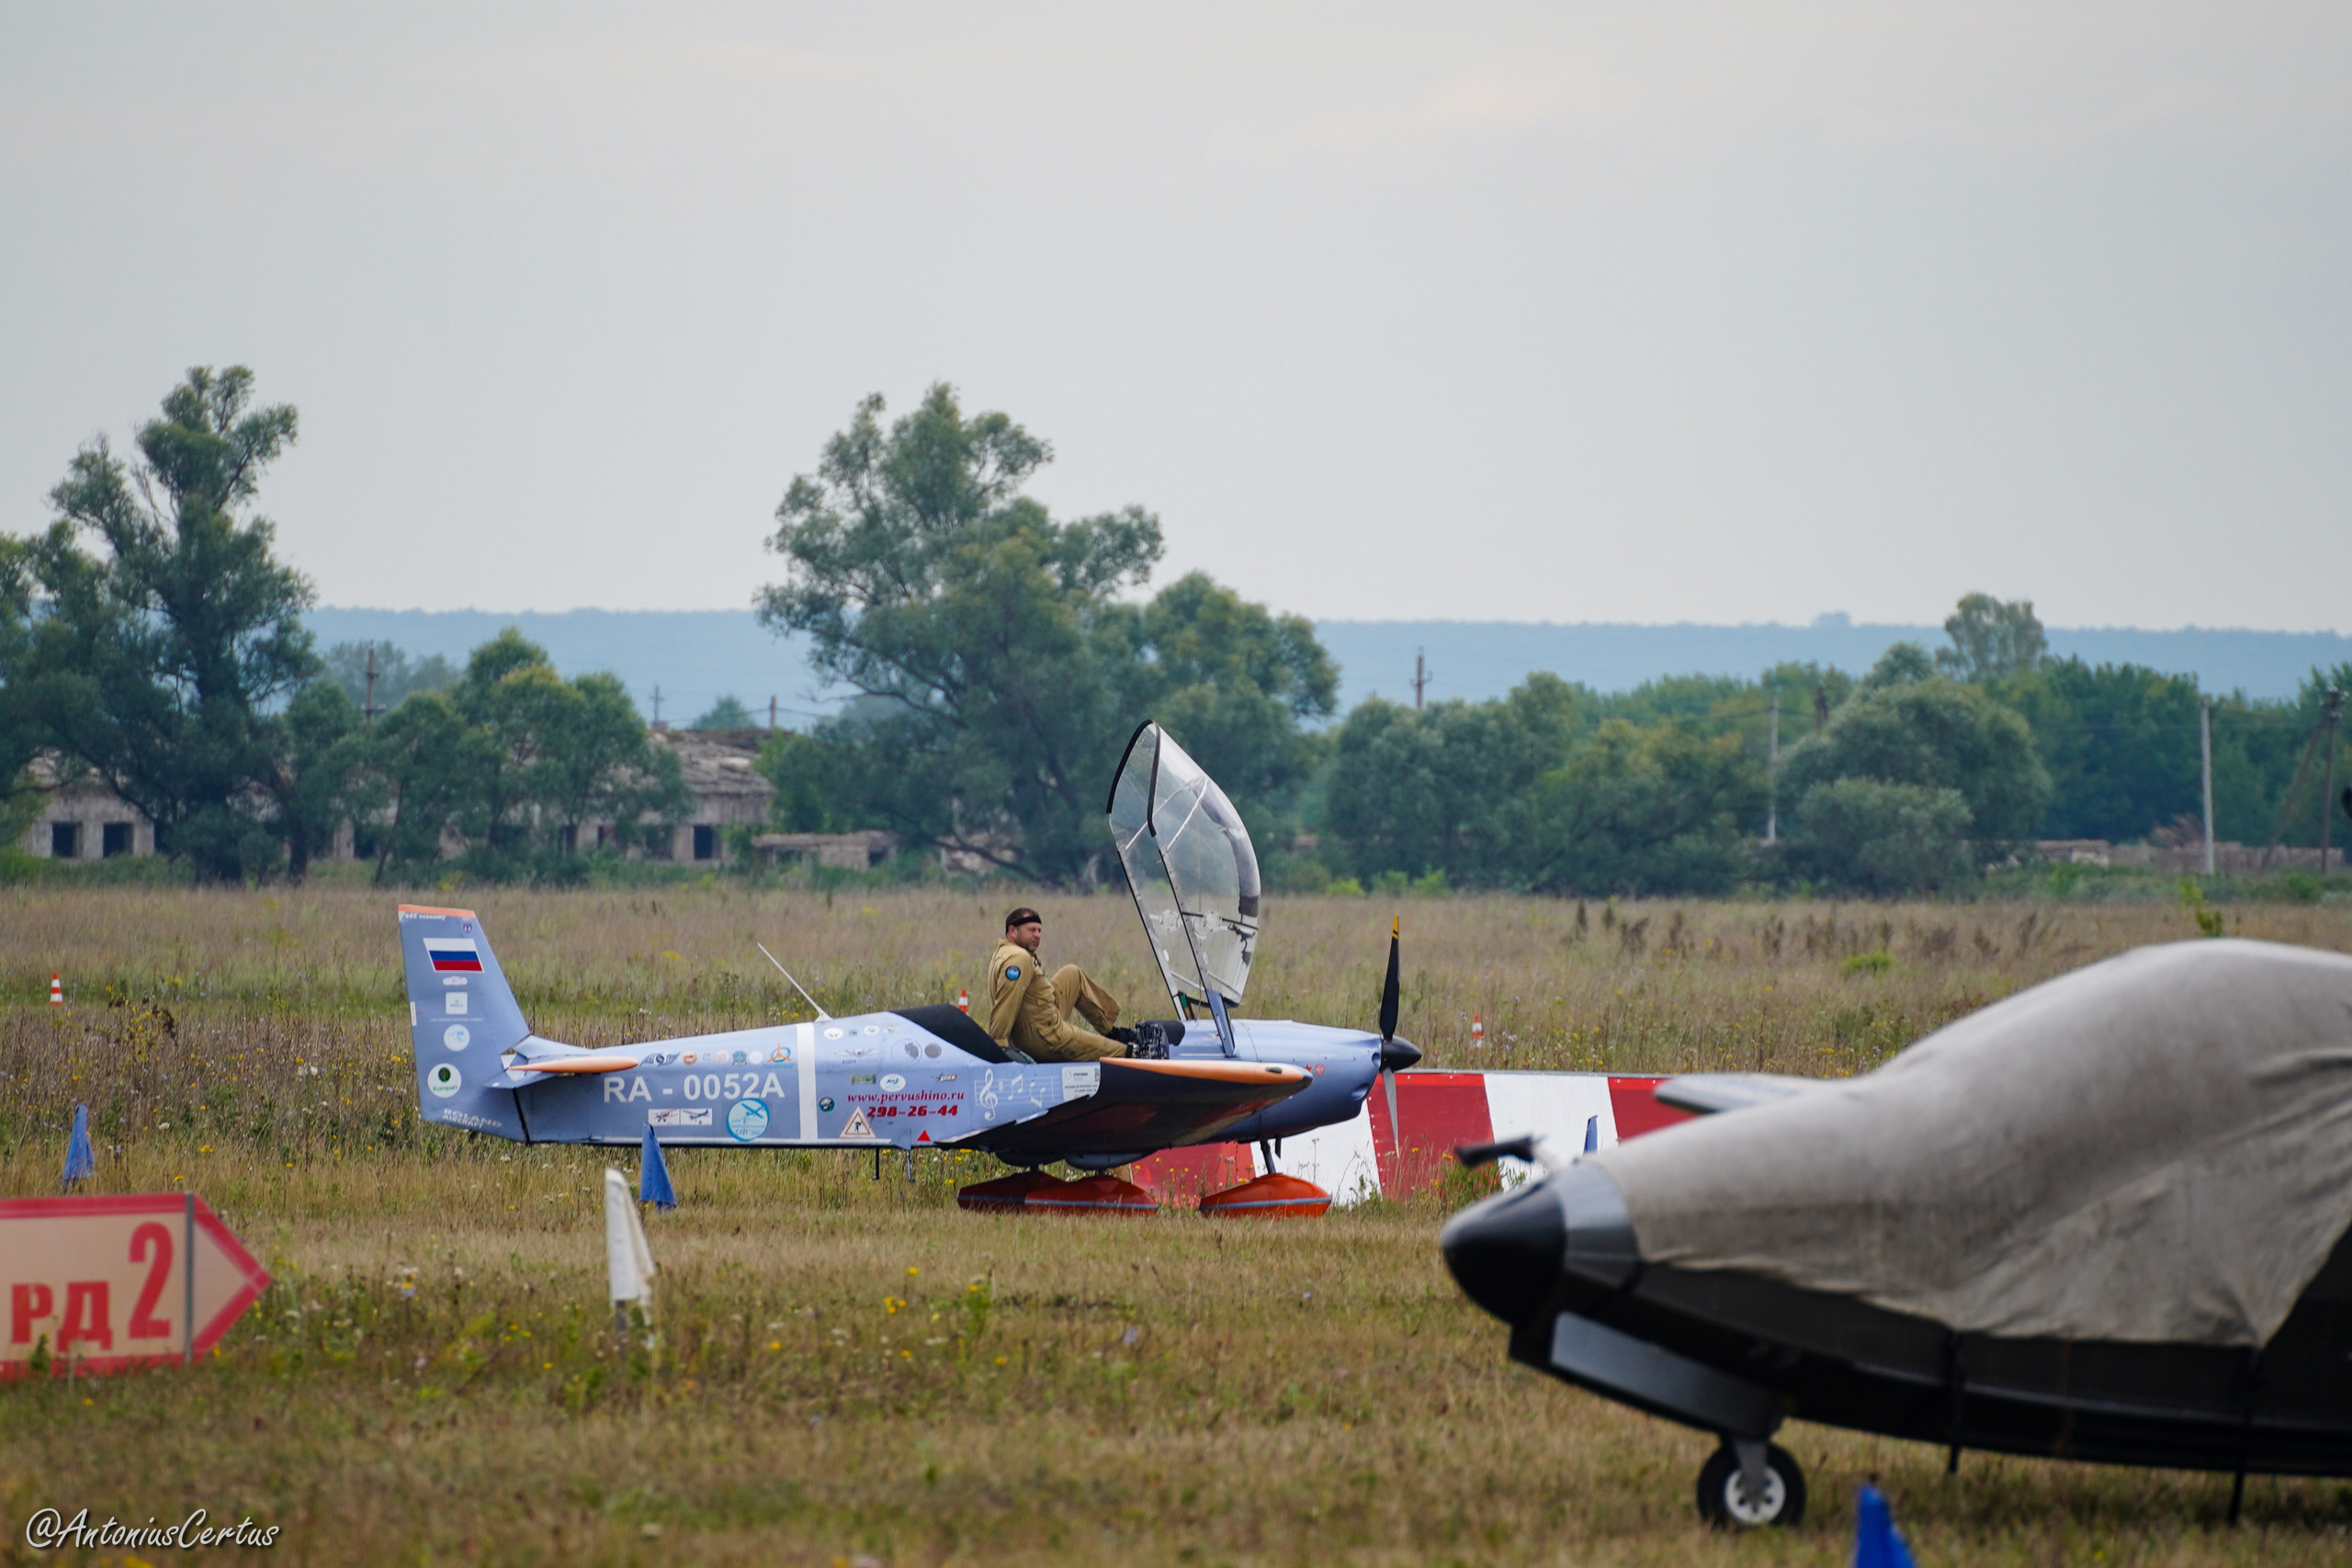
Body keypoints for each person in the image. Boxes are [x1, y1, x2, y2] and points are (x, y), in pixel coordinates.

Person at [988, 907, 1152, 1062]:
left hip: (1041, 1019)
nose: (1037, 935)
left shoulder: (1003, 952)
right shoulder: (1018, 958)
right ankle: (1133, 1053)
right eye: (1031, 930)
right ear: (1012, 931)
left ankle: (1112, 1032)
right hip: (1045, 1036)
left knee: (1072, 973)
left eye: (1039, 930)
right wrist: (999, 1048)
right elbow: (1005, 1005)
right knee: (1120, 1051)